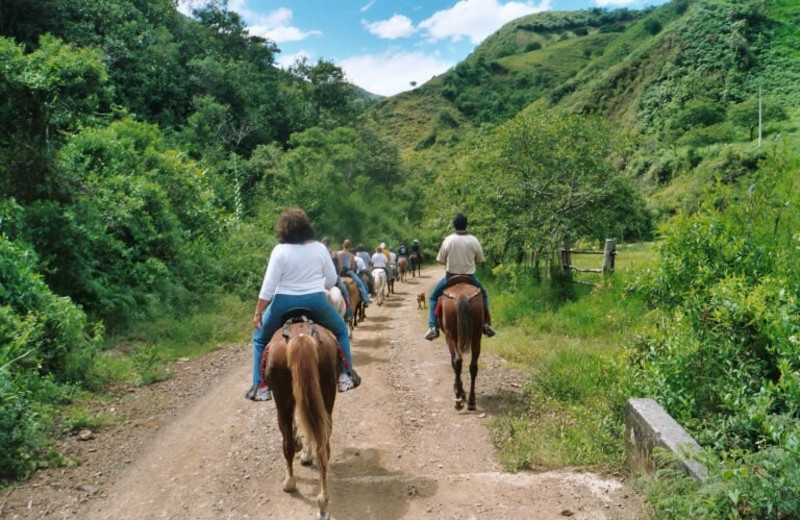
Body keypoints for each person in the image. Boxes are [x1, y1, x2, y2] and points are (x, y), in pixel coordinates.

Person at [246, 208, 360, 402]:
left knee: (258, 338)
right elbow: (332, 279)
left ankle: (261, 386)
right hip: (316, 300)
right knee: (341, 330)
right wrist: (314, 283)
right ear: (307, 227)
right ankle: (345, 375)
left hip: (283, 302)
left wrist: (258, 312)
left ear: (283, 229)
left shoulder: (279, 250)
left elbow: (268, 287)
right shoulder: (319, 248)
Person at [425, 213, 496, 340]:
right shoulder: (474, 240)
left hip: (450, 278)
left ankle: (433, 327)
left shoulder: (448, 240)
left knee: (433, 297)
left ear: (454, 225)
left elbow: (440, 260)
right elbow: (480, 260)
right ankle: (485, 324)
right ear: (466, 224)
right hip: (469, 278)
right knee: (484, 295)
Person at [322, 236, 353, 320]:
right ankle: (348, 313)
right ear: (330, 244)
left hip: (320, 279)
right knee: (345, 292)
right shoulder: (335, 254)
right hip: (334, 277)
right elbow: (340, 267)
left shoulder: (319, 254)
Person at [338, 239, 371, 306]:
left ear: (343, 245)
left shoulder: (338, 253)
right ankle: (366, 300)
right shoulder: (351, 255)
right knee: (360, 284)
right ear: (350, 246)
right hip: (348, 272)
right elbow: (353, 266)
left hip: (339, 272)